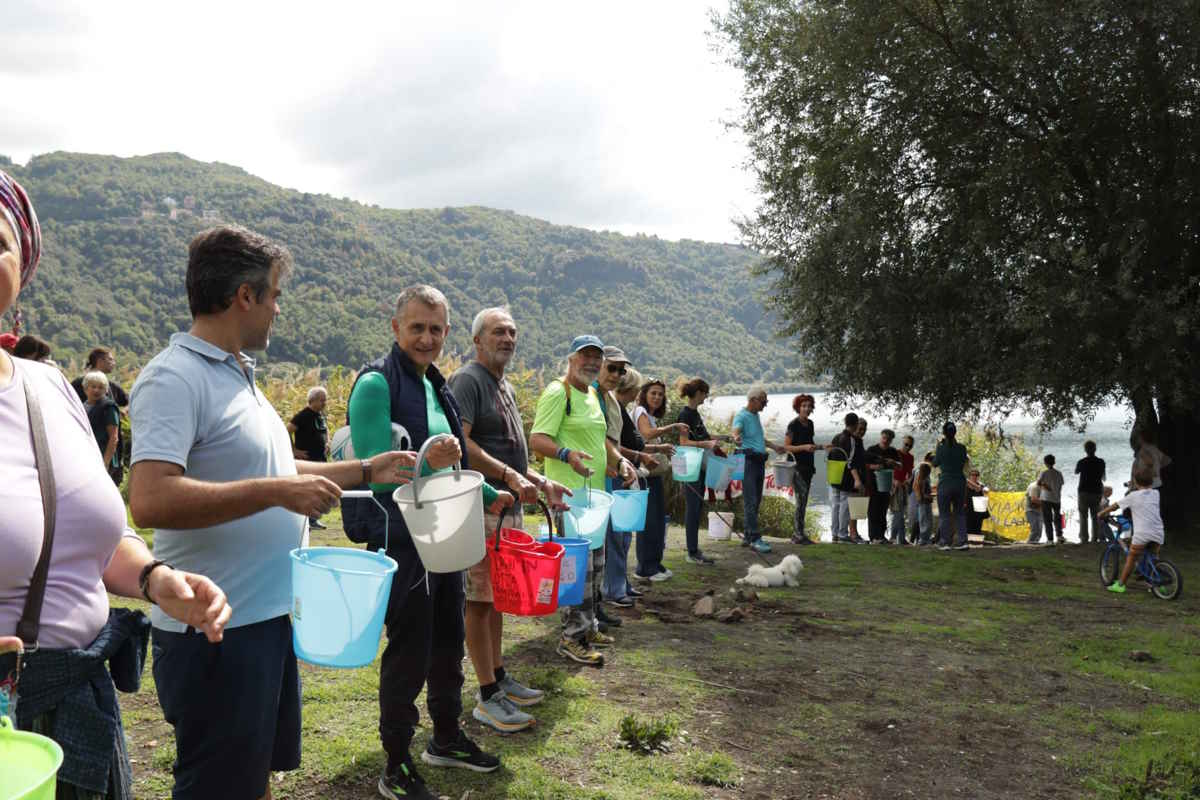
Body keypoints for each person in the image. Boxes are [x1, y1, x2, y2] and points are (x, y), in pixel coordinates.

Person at [128, 225, 419, 800]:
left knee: (252, 775)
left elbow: (283, 475)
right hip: (215, 632)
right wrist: (273, 493)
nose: (278, 310)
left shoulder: (240, 377)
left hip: (264, 621)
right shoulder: (174, 376)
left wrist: (368, 469)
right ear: (245, 296)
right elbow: (150, 498)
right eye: (275, 295)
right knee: (217, 785)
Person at [0, 168, 231, 800]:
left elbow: (95, 535)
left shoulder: (47, 387)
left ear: (22, 263)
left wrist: (156, 579)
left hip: (76, 715)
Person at [336, 285, 512, 800]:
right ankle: (396, 762)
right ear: (396, 328)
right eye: (417, 328)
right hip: (402, 543)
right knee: (409, 651)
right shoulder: (376, 384)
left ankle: (446, 736)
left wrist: (489, 490)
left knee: (446, 643)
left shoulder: (437, 386)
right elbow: (372, 473)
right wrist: (426, 462)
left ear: (447, 333)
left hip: (445, 536)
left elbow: (451, 466)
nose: (426, 338)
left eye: (436, 329)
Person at [447, 306, 570, 734]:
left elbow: (511, 452)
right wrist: (508, 476)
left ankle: (498, 675)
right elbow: (460, 444)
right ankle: (485, 696)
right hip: (483, 507)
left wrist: (539, 479)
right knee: (479, 600)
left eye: (513, 333)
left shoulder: (504, 385)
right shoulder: (468, 380)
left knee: (496, 596)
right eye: (499, 332)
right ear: (478, 339)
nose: (508, 339)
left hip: (508, 507)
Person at [530, 335, 637, 667]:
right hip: (566, 496)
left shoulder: (592, 394)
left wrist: (619, 461)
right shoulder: (557, 393)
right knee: (577, 570)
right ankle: (571, 637)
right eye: (585, 356)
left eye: (597, 358)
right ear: (571, 359)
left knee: (597, 565)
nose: (591, 362)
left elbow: (601, 441)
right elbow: (537, 439)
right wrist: (566, 454)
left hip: (593, 497)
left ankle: (588, 626)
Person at [633, 377, 684, 575]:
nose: (657, 397)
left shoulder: (651, 415)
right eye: (653, 393)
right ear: (644, 394)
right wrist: (672, 427)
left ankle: (655, 563)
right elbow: (646, 434)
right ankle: (645, 568)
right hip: (644, 474)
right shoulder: (640, 411)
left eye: (661, 394)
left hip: (654, 475)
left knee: (657, 520)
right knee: (648, 522)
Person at [732, 387, 786, 553]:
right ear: (753, 400)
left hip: (758, 462)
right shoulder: (742, 415)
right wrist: (736, 437)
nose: (765, 405)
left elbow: (757, 438)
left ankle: (748, 536)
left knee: (756, 500)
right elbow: (736, 430)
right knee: (751, 500)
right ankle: (755, 538)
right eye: (763, 401)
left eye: (766, 401)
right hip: (748, 461)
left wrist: (774, 446)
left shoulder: (755, 416)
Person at [1099, 462, 1164, 594]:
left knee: (1132, 557)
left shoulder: (1133, 496)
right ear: (1151, 482)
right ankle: (1156, 583)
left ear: (1135, 482)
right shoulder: (1156, 494)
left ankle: (1121, 584)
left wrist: (1102, 513)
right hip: (1158, 532)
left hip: (1143, 533)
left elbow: (1116, 505)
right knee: (1152, 556)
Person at [781, 394, 825, 545]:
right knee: (801, 499)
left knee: (803, 500)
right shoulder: (793, 425)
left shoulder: (810, 424)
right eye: (803, 406)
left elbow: (810, 443)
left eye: (809, 406)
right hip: (796, 467)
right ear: (798, 408)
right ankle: (798, 534)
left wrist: (820, 447)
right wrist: (804, 447)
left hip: (808, 467)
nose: (806, 408)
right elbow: (786, 446)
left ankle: (799, 533)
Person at [288, 386, 330, 529]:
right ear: (312, 400)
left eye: (325, 400)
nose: (324, 403)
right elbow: (287, 430)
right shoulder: (303, 415)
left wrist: (327, 443)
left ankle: (314, 519)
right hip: (308, 461)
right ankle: (307, 521)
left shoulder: (321, 414)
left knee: (320, 489)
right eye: (321, 400)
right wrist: (294, 450)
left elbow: (325, 429)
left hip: (321, 459)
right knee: (309, 490)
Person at [933, 422, 970, 551]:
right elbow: (963, 461)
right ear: (955, 433)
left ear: (944, 433)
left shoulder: (941, 448)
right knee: (959, 513)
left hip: (945, 482)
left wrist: (938, 446)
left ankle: (945, 542)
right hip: (960, 482)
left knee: (945, 514)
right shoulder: (962, 448)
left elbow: (935, 463)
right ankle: (962, 541)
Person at [829, 413, 865, 543]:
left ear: (845, 422)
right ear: (855, 424)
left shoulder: (837, 437)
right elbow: (850, 461)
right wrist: (857, 479)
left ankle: (834, 533)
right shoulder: (852, 440)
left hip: (834, 475)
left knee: (835, 505)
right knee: (844, 506)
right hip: (845, 478)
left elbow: (831, 453)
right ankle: (843, 534)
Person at [81, 370, 122, 485]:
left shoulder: (108, 407)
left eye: (100, 387)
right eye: (93, 386)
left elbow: (113, 438)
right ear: (85, 388)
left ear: (105, 390)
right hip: (87, 456)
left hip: (102, 458)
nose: (96, 390)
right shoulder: (82, 406)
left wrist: (105, 463)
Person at [865, 429, 901, 543]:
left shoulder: (893, 451)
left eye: (888, 439)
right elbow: (864, 465)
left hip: (886, 484)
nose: (885, 441)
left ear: (891, 440)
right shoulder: (872, 450)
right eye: (884, 438)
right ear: (881, 437)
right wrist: (874, 467)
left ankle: (881, 536)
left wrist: (893, 463)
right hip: (873, 484)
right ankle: (873, 537)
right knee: (873, 510)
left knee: (883, 510)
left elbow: (900, 466)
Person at [1075, 440, 1106, 544]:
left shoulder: (1082, 462)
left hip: (1083, 491)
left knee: (1083, 515)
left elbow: (1076, 472)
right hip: (1097, 491)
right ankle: (1095, 538)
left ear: (1085, 450)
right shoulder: (1101, 462)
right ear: (1095, 449)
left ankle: (1084, 539)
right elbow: (1103, 476)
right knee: (1095, 515)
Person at [891, 434, 916, 545]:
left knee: (901, 513)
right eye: (906, 444)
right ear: (902, 443)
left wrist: (908, 481)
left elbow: (910, 473)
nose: (907, 447)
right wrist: (894, 481)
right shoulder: (895, 454)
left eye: (910, 446)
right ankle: (895, 538)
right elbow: (889, 469)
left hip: (904, 486)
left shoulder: (910, 457)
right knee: (898, 513)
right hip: (894, 486)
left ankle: (900, 538)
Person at [1037, 454, 1066, 544]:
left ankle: (1050, 539)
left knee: (1047, 519)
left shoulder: (1044, 473)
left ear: (1045, 463)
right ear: (1054, 462)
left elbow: (1038, 483)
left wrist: (1045, 486)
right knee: (1057, 517)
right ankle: (1060, 536)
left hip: (1046, 498)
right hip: (1057, 498)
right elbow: (1061, 484)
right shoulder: (1059, 473)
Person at [965, 468, 990, 538]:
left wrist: (983, 489)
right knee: (968, 526)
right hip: (968, 509)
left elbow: (986, 490)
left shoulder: (981, 485)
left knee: (978, 526)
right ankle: (968, 542)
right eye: (972, 475)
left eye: (976, 475)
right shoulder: (965, 485)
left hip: (978, 509)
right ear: (969, 476)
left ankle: (977, 543)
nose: (974, 476)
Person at [913, 462, 935, 545]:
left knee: (925, 520)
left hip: (923, 502)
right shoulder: (923, 480)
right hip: (924, 502)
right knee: (926, 521)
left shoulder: (921, 479)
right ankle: (923, 539)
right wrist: (930, 496)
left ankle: (924, 538)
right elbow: (923, 494)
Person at [1024, 478, 1045, 543]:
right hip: (1031, 511)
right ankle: (1029, 544)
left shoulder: (1044, 486)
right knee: (1035, 530)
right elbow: (1033, 499)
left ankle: (1035, 545)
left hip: (1040, 511)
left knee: (1039, 531)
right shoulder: (1034, 486)